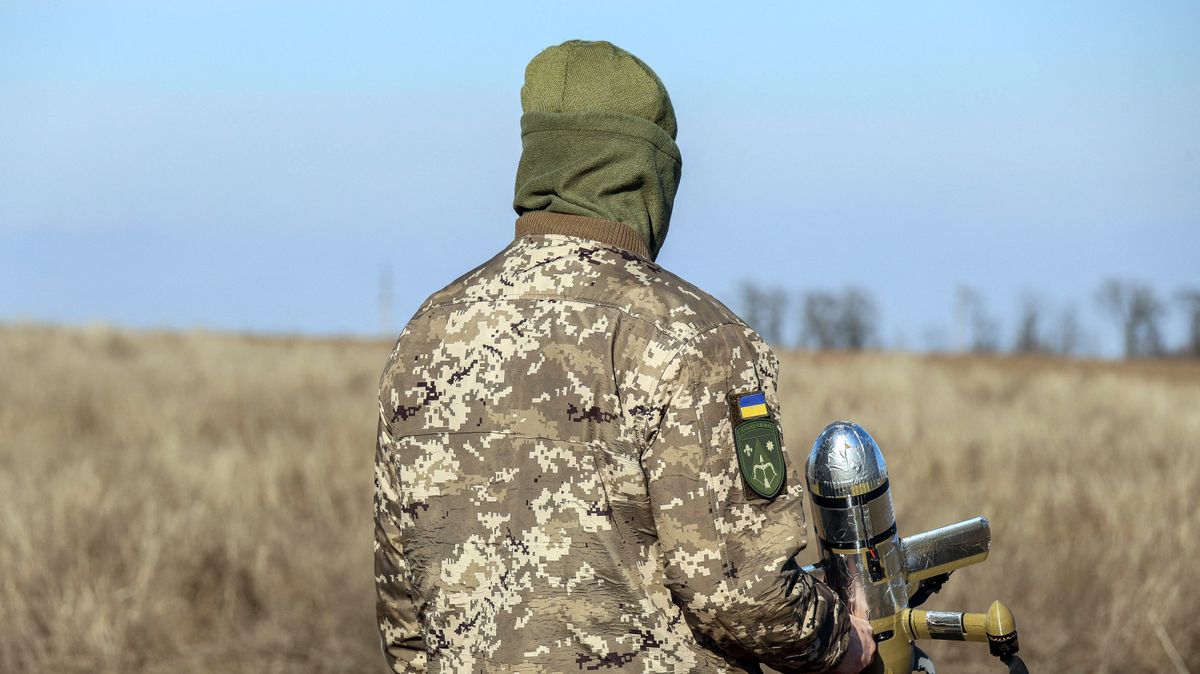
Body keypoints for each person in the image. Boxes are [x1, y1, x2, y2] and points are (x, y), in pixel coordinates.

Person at [374, 39, 876, 673]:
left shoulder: (426, 336)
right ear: (647, 172)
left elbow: (404, 618)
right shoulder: (697, 339)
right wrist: (842, 640)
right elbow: (744, 595)